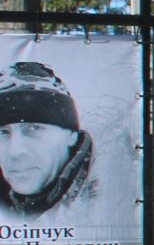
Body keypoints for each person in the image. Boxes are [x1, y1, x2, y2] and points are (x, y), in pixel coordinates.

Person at [0, 60, 95, 217]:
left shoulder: (111, 197)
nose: (15, 151)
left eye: (34, 129)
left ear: (71, 134)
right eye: (3, 133)